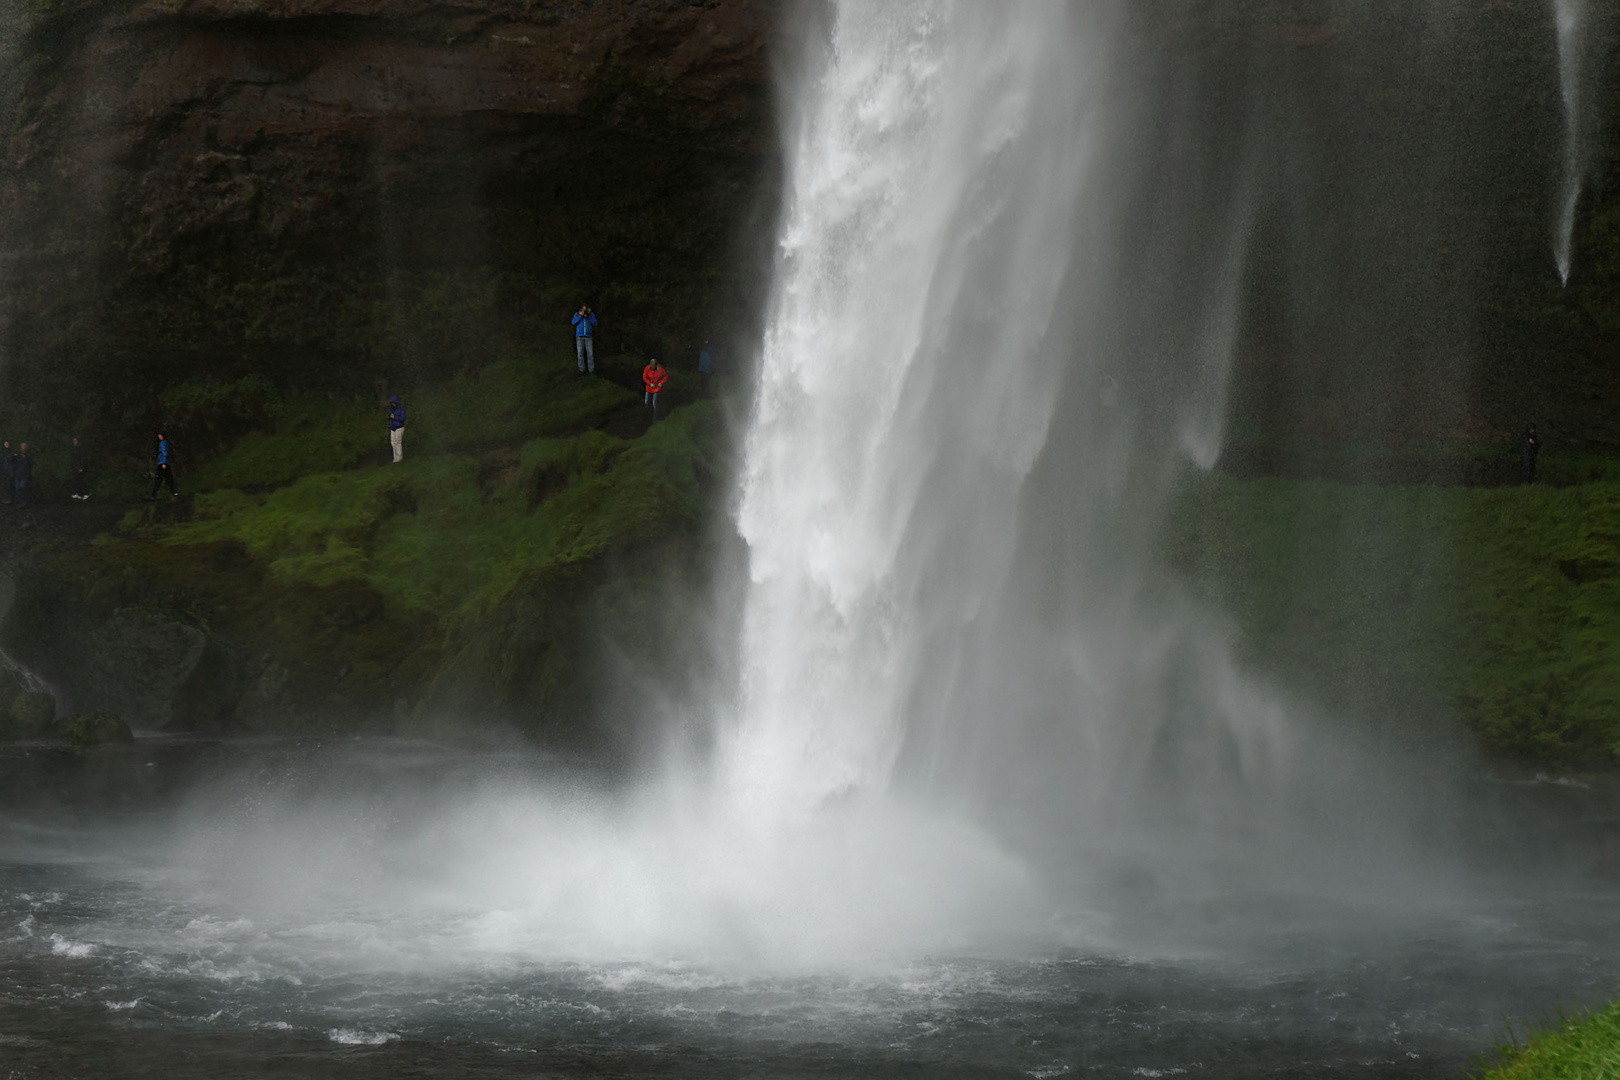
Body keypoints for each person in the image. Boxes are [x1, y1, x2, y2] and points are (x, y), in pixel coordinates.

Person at [149, 431, 177, 498]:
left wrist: (163, 462)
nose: (159, 437)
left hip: (162, 464)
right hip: (166, 463)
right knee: (169, 479)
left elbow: (164, 453)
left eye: (160, 436)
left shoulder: (162, 443)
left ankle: (153, 495)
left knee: (158, 479)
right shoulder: (166, 443)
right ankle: (174, 493)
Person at [572, 305, 598, 373]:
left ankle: (591, 370)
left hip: (588, 336)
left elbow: (595, 323)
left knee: (590, 353)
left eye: (585, 309)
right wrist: (581, 315)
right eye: (583, 309)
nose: (584, 310)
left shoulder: (591, 314)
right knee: (580, 353)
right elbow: (573, 322)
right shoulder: (577, 314)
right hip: (579, 336)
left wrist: (589, 316)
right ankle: (581, 369)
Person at [11, 443, 33, 508]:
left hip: (24, 475)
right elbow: (13, 462)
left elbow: (30, 463)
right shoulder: (18, 455)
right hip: (17, 475)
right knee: (17, 488)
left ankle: (24, 501)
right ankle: (19, 501)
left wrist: (25, 458)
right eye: (22, 447)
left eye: (24, 447)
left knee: (22, 487)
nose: (23, 449)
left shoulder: (29, 455)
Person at [387, 395, 406, 463]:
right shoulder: (391, 408)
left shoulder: (401, 408)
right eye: (392, 403)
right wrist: (389, 417)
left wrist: (394, 417)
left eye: (394, 403)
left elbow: (403, 418)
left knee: (398, 442)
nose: (393, 404)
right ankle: (395, 458)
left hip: (399, 427)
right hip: (392, 427)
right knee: (393, 442)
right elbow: (389, 415)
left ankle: (399, 458)